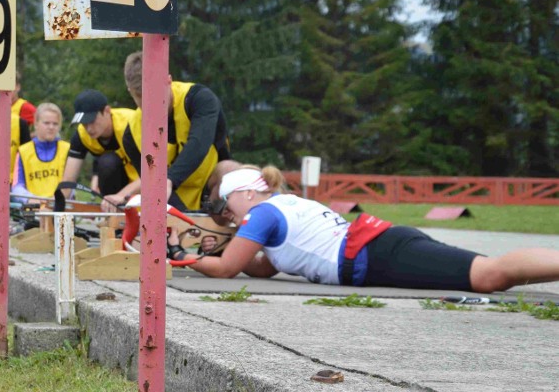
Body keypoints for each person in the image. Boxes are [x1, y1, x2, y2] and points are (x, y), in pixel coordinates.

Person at [170, 165, 559, 293]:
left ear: (245, 195)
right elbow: (265, 266)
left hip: (380, 253)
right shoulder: (282, 207)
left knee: (491, 275)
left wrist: (186, 257)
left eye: (226, 204)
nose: (229, 215)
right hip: (383, 248)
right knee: (491, 272)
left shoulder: (261, 216)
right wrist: (219, 250)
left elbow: (227, 270)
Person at [121, 51, 232, 211]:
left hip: (211, 189)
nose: (153, 108)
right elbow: (151, 183)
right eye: (144, 102)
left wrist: (169, 180)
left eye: (157, 98)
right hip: (172, 201)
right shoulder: (131, 134)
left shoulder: (200, 99)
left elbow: (199, 144)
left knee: (230, 168)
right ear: (130, 92)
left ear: (168, 80)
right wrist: (186, 221)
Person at [60, 89, 139, 211]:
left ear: (107, 111)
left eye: (91, 121)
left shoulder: (133, 123)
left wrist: (121, 195)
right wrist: (54, 204)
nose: (89, 128)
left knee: (108, 162)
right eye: (84, 123)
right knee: (107, 163)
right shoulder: (81, 135)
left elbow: (156, 172)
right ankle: (114, 215)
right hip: (120, 187)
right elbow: (68, 180)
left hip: (151, 183)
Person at [13, 103, 70, 200]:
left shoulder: (67, 149)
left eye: (55, 124)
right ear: (36, 124)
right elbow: (17, 187)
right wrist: (32, 200)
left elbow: (71, 185)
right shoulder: (23, 151)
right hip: (33, 208)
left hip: (61, 209)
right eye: (46, 123)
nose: (51, 127)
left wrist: (55, 203)